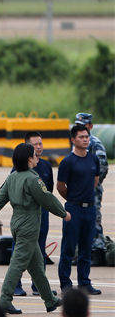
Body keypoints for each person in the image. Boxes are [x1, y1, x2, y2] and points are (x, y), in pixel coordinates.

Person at [0, 143, 67, 314]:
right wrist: (63, 213)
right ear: (29, 159)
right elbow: (46, 198)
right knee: (17, 264)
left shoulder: (12, 178)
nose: (37, 157)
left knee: (36, 264)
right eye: (34, 155)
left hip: (17, 222)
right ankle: (5, 300)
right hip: (29, 224)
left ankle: (49, 299)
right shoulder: (33, 179)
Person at [57, 124, 101, 295]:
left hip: (89, 210)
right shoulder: (67, 162)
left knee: (86, 248)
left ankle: (84, 282)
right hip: (73, 209)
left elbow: (95, 181)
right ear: (73, 140)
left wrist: (86, 198)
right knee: (68, 248)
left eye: (87, 136)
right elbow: (61, 186)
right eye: (81, 137)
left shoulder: (93, 159)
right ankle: (65, 284)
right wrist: (74, 199)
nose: (85, 139)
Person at [13, 131, 56, 297]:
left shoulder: (45, 166)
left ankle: (38, 285)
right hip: (24, 215)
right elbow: (11, 190)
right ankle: (16, 284)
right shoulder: (18, 169)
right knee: (20, 250)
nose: (39, 147)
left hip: (41, 214)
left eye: (41, 143)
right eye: (35, 144)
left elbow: (49, 191)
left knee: (40, 248)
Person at [75, 112, 108, 254]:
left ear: (90, 126)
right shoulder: (75, 142)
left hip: (91, 190)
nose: (81, 128)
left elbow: (103, 167)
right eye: (78, 125)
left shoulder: (95, 143)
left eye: (84, 126)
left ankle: (97, 250)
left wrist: (92, 183)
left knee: (93, 219)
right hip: (77, 191)